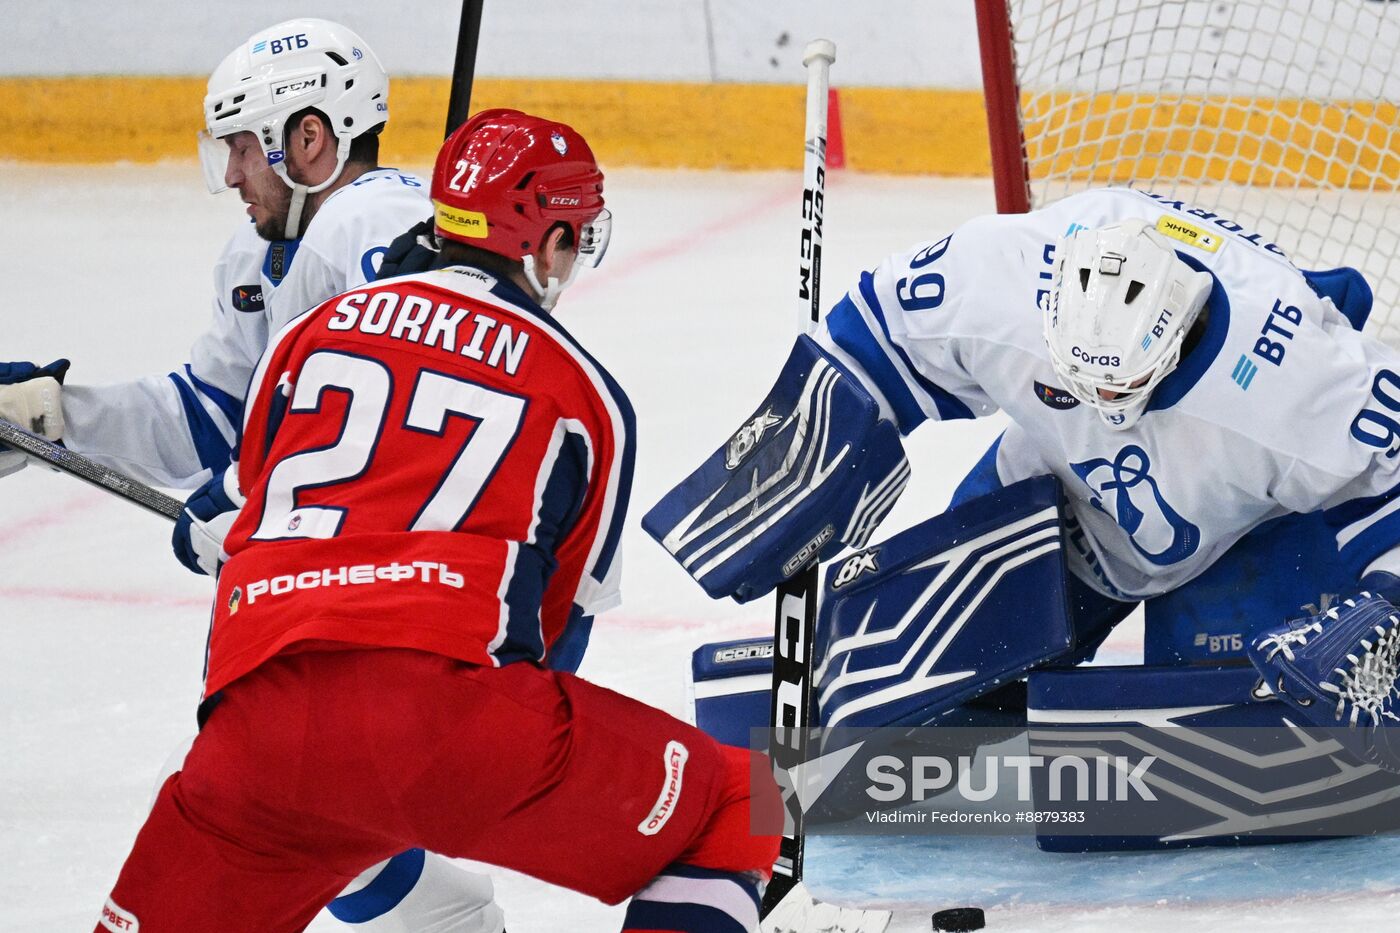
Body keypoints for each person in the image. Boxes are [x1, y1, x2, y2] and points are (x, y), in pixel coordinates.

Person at [94, 108, 780, 933]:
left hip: (256, 730)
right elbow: (548, 640)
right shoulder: (583, 392)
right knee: (743, 802)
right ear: (549, 242)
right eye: (576, 237)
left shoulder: (304, 337)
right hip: (458, 727)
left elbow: (252, 523)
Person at [0, 18, 509, 932]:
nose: (231, 173)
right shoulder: (267, 254)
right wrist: (62, 413)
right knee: (307, 816)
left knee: (292, 806)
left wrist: (251, 508)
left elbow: (393, 427)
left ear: (307, 138)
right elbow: (210, 415)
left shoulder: (377, 223)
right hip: (307, 588)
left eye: (242, 146)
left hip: (384, 586)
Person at [646, 185, 1400, 786]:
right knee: (923, 703)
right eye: (1085, 387)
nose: (1107, 414)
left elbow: (1390, 486)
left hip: (1247, 530)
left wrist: (1383, 612)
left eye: (1125, 390)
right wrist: (803, 455)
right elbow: (871, 335)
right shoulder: (1003, 274)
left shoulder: (1299, 385)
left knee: (1224, 738)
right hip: (1052, 491)